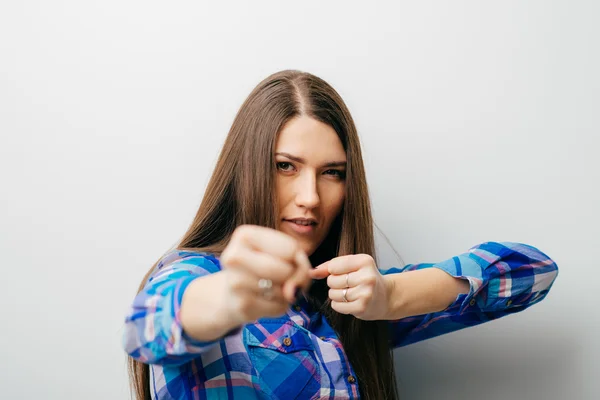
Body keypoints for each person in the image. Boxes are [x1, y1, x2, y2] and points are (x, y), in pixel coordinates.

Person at [122, 70, 559, 400]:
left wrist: (391, 296)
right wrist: (231, 296)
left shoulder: (346, 300)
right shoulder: (195, 272)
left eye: (332, 173)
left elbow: (534, 273)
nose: (310, 197)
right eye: (285, 166)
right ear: (248, 170)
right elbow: (145, 327)